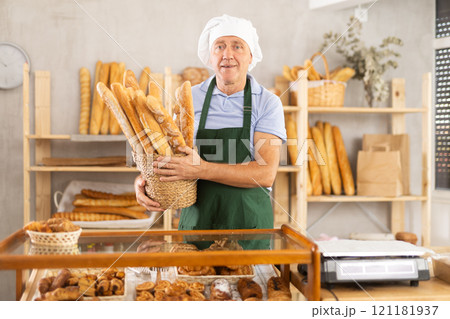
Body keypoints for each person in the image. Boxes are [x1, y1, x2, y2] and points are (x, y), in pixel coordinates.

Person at [135, 14, 287, 248]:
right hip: (199, 225)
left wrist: (201, 169)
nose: (228, 54)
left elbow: (266, 173)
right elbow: (170, 156)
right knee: (194, 285)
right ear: (210, 56)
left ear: (250, 55)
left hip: (249, 229)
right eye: (219, 46)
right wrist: (147, 182)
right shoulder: (189, 98)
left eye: (237, 46)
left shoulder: (267, 102)